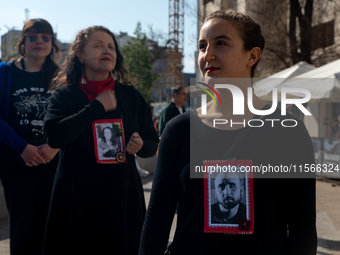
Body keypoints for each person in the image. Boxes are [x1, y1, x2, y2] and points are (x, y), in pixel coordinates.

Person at [139, 9, 316, 255]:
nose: (207, 54)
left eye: (220, 43)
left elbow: (303, 230)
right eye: (202, 46)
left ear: (252, 56)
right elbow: (157, 221)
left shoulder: (289, 131)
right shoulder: (178, 130)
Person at [42, 25, 159, 255]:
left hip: (122, 201)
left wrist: (141, 145)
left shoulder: (130, 96)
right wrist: (96, 107)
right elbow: (54, 136)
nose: (107, 50)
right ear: (80, 55)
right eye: (97, 45)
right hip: (77, 202)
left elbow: (152, 144)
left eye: (111, 46)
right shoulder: (64, 96)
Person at [0, 19, 60, 255]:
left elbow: (71, 116)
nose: (39, 41)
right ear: (22, 41)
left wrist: (55, 146)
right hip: (16, 160)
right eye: (33, 36)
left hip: (53, 161)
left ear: (52, 43)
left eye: (46, 37)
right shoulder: (5, 73)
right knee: (22, 231)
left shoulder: (61, 77)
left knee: (50, 229)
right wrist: (21, 147)